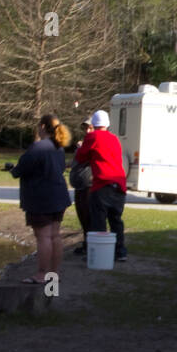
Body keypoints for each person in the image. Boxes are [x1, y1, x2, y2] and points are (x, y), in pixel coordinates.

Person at [6, 114, 72, 284]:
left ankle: (42, 275)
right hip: (59, 196)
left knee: (43, 237)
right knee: (55, 236)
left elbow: (19, 170)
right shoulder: (59, 147)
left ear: (42, 126)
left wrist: (12, 169)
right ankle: (54, 274)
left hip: (41, 198)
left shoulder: (38, 147)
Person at [74, 109, 127, 261]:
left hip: (102, 185)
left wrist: (82, 148)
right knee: (116, 220)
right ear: (107, 124)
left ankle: (100, 255)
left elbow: (80, 156)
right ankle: (120, 252)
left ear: (94, 124)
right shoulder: (114, 139)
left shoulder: (92, 137)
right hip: (119, 184)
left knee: (99, 221)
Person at [69, 119, 94, 256]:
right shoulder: (84, 143)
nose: (87, 131)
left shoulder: (96, 142)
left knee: (89, 216)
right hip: (80, 185)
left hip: (89, 186)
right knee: (83, 216)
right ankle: (86, 244)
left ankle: (91, 247)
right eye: (86, 128)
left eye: (90, 128)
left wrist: (82, 148)